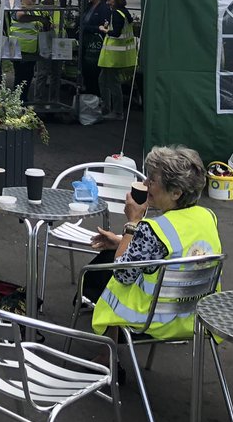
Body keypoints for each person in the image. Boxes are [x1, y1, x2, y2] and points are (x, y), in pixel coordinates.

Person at [86, 146, 220, 356]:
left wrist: (133, 223)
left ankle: (107, 357)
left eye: (153, 180)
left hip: (154, 318)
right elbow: (178, 251)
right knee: (110, 258)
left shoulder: (152, 228)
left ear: (176, 193)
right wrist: (121, 241)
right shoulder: (207, 216)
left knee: (101, 270)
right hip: (197, 315)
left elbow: (121, 273)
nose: (146, 183)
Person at [97, 0, 137, 119]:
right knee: (104, 80)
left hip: (113, 55)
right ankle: (107, 108)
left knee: (111, 82)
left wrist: (104, 29)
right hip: (117, 54)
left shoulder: (116, 13)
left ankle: (117, 111)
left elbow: (116, 33)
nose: (108, 2)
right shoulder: (124, 12)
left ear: (117, 0)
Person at [7, 0, 41, 103]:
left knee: (28, 76)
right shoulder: (18, 7)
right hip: (19, 49)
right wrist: (39, 19)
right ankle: (17, 101)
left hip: (30, 49)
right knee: (21, 77)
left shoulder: (34, 10)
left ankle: (23, 100)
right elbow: (20, 17)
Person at [32, 0, 64, 104]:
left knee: (56, 73)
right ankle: (38, 99)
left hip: (58, 41)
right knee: (42, 73)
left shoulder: (59, 7)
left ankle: (54, 100)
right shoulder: (38, 8)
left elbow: (64, 23)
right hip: (44, 42)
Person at [79, 0, 110, 95]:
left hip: (96, 48)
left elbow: (104, 27)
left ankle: (96, 97)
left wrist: (86, 28)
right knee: (87, 73)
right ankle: (89, 96)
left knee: (94, 74)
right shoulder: (89, 6)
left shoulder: (104, 8)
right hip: (87, 45)